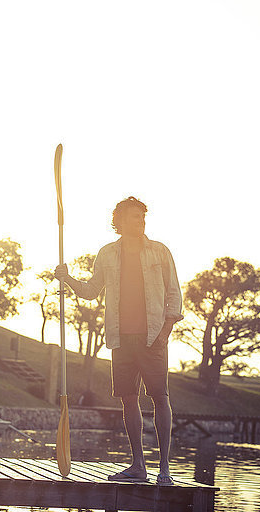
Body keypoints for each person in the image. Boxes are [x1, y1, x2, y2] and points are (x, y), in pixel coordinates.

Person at [55, 196, 183, 485]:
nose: (141, 221)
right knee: (128, 401)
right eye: (135, 217)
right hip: (120, 338)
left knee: (160, 399)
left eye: (142, 217)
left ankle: (164, 469)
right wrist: (67, 278)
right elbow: (90, 291)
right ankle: (138, 465)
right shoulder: (107, 254)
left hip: (153, 339)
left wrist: (165, 333)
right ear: (120, 221)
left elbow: (174, 294)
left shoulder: (160, 252)